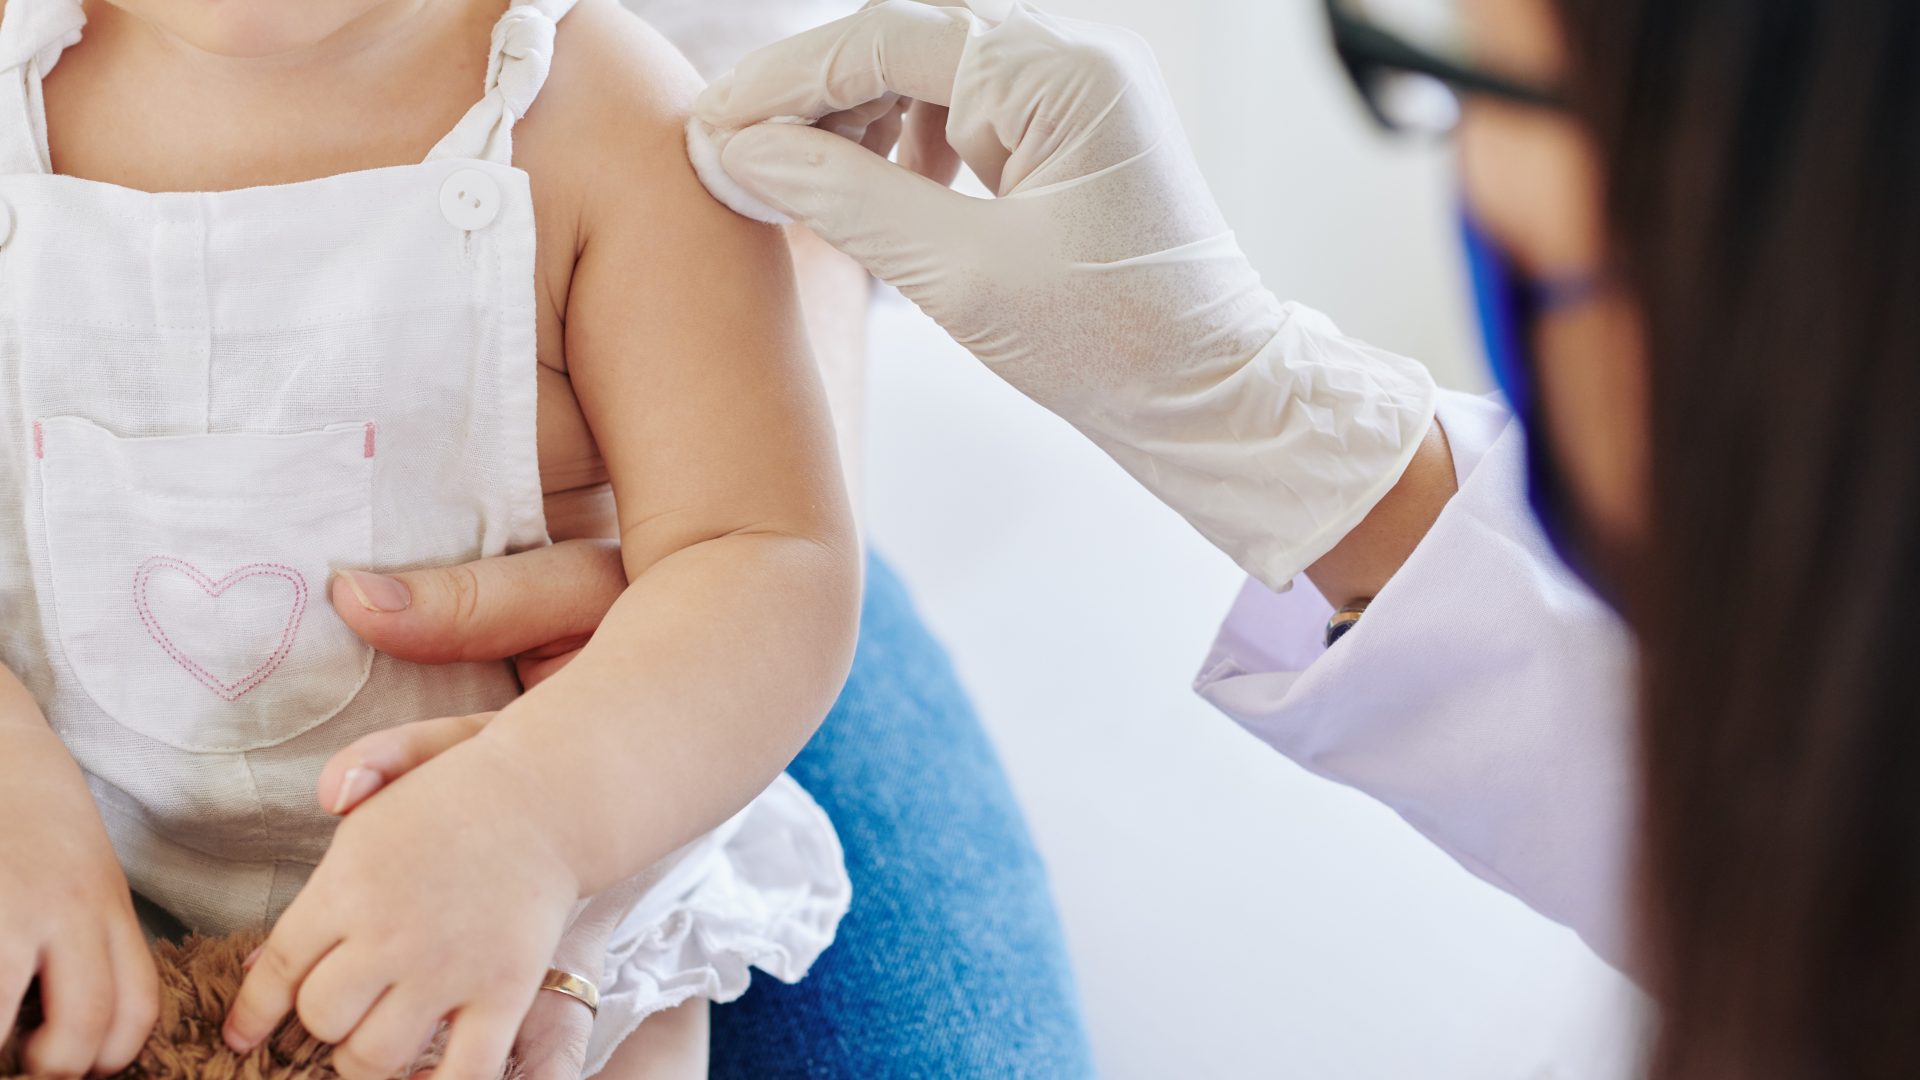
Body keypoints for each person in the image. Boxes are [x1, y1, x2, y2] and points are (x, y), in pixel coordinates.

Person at [299, 0, 1920, 1076]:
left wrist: (705, 586)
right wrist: (1285, 433)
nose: (1468, 152)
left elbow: (757, 305)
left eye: (1478, 74)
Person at [0, 0, 872, 1076]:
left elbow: (765, 552)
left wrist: (540, 820)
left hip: (537, 900)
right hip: (57, 874)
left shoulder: (605, 118)